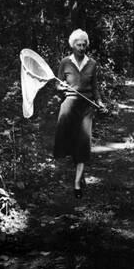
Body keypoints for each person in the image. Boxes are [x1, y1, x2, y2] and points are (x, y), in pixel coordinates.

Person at [53, 29, 106, 198]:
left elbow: (95, 87)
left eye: (84, 45)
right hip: (69, 106)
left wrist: (100, 102)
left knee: (83, 143)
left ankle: (77, 183)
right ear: (73, 45)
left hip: (87, 107)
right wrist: (60, 87)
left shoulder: (92, 63)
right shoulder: (65, 62)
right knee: (67, 141)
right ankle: (78, 171)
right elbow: (58, 84)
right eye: (79, 44)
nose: (82, 48)